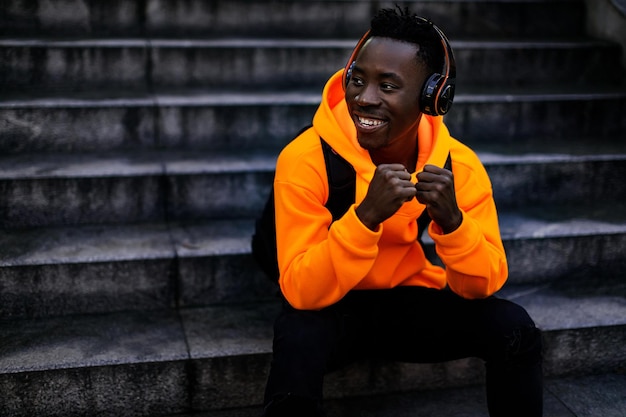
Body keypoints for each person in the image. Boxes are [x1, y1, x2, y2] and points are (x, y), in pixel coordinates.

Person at [262, 7, 543, 417]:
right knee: (296, 332)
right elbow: (302, 291)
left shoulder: (458, 165)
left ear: (433, 97)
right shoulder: (305, 158)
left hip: (406, 302)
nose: (364, 98)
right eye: (357, 79)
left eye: (388, 86)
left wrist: (454, 224)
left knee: (514, 326)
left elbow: (482, 285)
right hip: (332, 306)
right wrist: (364, 219)